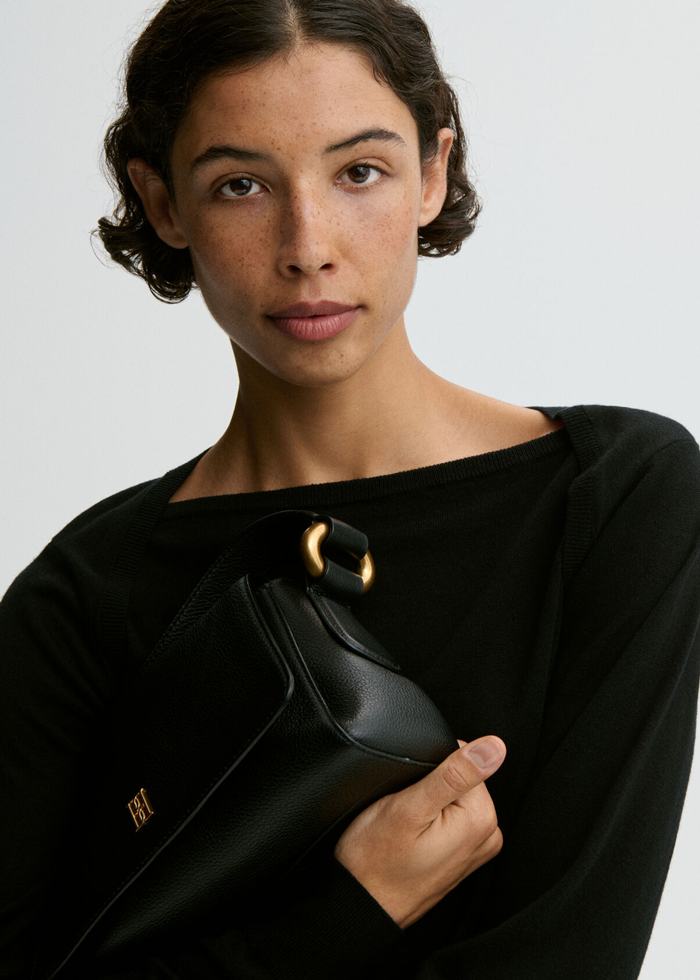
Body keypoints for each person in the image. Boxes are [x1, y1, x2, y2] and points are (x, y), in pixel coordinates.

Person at [2, 1, 699, 978]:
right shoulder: (80, 596)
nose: (308, 244)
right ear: (163, 203)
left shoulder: (617, 496)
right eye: (241, 184)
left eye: (358, 171)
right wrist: (349, 910)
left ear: (432, 172)